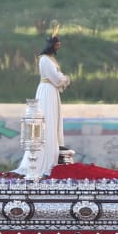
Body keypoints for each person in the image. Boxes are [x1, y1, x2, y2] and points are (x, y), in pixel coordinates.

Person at [14, 34, 69, 180]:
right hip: (47, 90)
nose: (59, 46)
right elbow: (57, 78)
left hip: (52, 91)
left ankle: (54, 152)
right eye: (57, 43)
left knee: (54, 120)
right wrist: (65, 79)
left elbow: (57, 77)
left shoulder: (52, 59)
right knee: (46, 120)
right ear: (52, 44)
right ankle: (42, 161)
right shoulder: (44, 59)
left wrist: (62, 78)